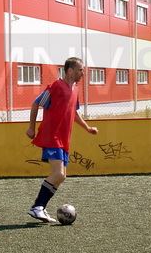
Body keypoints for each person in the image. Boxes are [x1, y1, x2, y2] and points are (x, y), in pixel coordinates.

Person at [25, 57, 98, 222]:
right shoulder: (56, 86)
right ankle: (37, 207)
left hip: (63, 140)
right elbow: (36, 103)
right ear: (70, 71)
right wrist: (31, 128)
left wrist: (87, 128)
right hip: (52, 136)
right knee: (58, 173)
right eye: (80, 70)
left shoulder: (75, 89)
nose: (83, 73)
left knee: (61, 176)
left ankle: (40, 207)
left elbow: (74, 112)